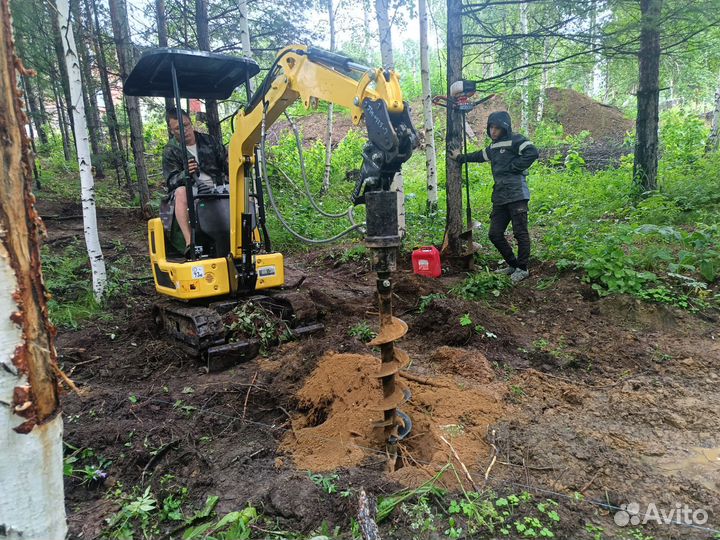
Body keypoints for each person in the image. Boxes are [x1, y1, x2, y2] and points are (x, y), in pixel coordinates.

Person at [453, 111, 539, 283]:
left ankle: (522, 269)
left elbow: (532, 153)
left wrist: (515, 166)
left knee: (520, 233)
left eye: (497, 128)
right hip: (500, 196)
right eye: (491, 127)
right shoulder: (493, 147)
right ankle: (512, 264)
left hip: (516, 194)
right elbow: (479, 156)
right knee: (494, 234)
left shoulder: (517, 140)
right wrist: (460, 157)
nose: (493, 131)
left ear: (505, 128)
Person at [162, 107, 228, 257]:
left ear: (191, 123)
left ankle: (249, 238)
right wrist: (185, 174)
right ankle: (190, 243)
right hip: (192, 189)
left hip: (218, 185)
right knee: (180, 192)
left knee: (244, 190)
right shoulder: (171, 150)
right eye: (178, 128)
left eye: (185, 125)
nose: (184, 130)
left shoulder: (209, 140)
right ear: (172, 131)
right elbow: (171, 181)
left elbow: (226, 164)